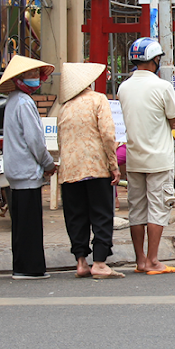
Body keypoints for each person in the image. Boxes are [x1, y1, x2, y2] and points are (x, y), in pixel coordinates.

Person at [118, 37, 175, 275]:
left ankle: (140, 260)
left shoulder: (123, 88)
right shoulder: (163, 87)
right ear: (156, 60)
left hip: (134, 158)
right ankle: (154, 260)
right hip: (158, 158)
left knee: (136, 210)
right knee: (158, 208)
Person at [54, 62, 124, 279]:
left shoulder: (63, 107)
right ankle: (100, 263)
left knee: (76, 216)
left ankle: (81, 262)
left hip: (69, 170)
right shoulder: (98, 100)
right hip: (96, 167)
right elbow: (107, 134)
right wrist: (113, 165)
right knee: (101, 214)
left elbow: (60, 140)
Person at [0, 55, 57, 279]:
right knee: (30, 225)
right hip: (27, 170)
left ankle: (21, 265)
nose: (37, 79)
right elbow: (35, 140)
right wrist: (48, 163)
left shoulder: (13, 100)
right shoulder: (24, 103)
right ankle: (29, 267)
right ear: (20, 78)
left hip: (16, 170)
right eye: (32, 74)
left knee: (21, 223)